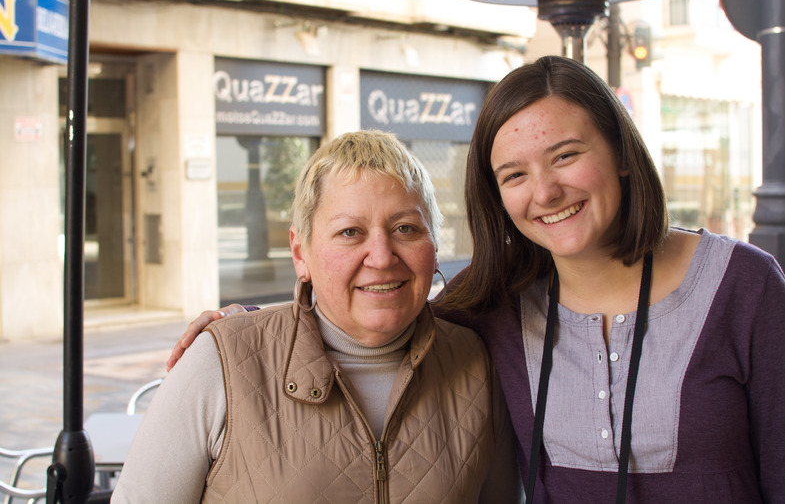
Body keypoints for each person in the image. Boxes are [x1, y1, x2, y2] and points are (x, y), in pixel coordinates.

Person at [169, 56, 785, 503]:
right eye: (513, 174)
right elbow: (374, 297)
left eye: (567, 155)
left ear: (622, 153)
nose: (545, 191)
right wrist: (254, 331)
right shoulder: (496, 307)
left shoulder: (744, 287)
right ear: (496, 197)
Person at [112, 130, 522, 503]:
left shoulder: (476, 362)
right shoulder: (220, 364)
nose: (381, 257)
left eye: (406, 229)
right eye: (350, 232)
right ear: (299, 253)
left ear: (433, 244)